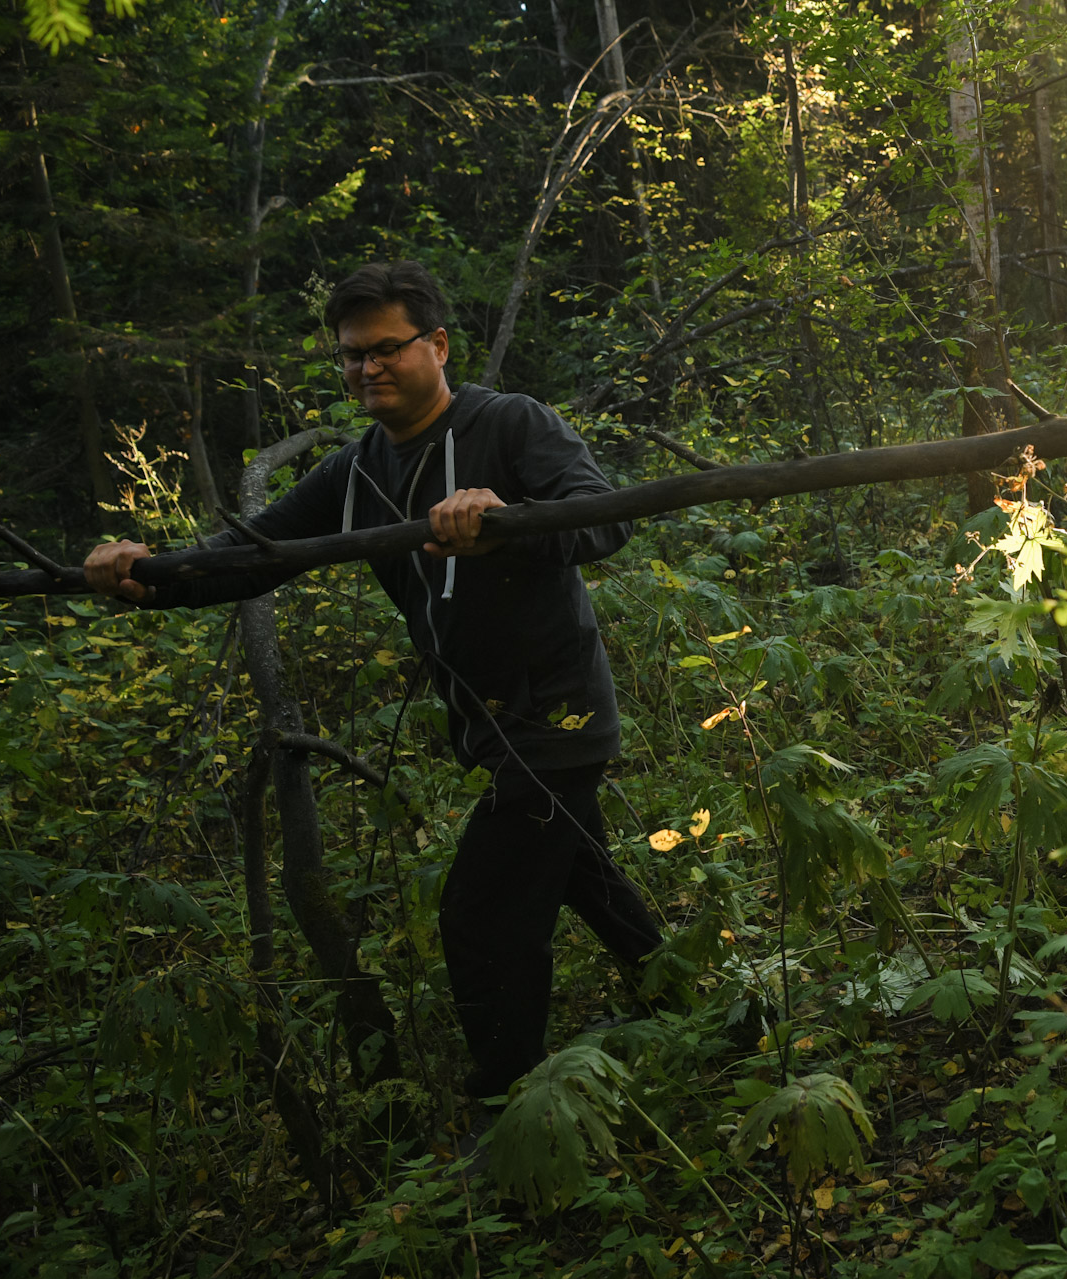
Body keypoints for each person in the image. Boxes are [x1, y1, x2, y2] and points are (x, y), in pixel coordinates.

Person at [83, 260, 661, 1106]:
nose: (368, 369)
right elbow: (252, 555)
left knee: (482, 916)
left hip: (557, 717)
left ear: (438, 345)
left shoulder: (510, 424)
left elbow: (601, 517)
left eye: (387, 349)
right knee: (582, 872)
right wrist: (146, 572)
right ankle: (698, 1004)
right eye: (353, 357)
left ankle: (510, 1109)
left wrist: (505, 525)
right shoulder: (359, 472)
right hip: (484, 723)